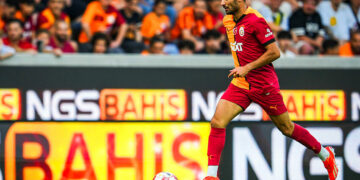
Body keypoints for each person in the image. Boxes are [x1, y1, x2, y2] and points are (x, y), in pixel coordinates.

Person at [202, 0, 338, 180]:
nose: (222, 2)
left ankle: (325, 155)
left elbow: (275, 52)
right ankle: (211, 176)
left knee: (287, 128)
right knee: (217, 122)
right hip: (242, 83)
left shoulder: (255, 21)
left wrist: (247, 67)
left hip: (264, 85)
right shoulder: (228, 20)